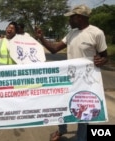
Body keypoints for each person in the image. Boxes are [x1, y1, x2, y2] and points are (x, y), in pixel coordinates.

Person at [35, 4, 108, 141]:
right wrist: (41, 38)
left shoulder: (96, 33)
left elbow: (105, 56)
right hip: (69, 79)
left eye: (71, 18)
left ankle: (81, 138)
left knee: (82, 110)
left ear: (79, 17)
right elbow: (55, 49)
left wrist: (101, 60)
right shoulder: (71, 34)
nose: (69, 21)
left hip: (87, 82)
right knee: (62, 105)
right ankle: (61, 130)